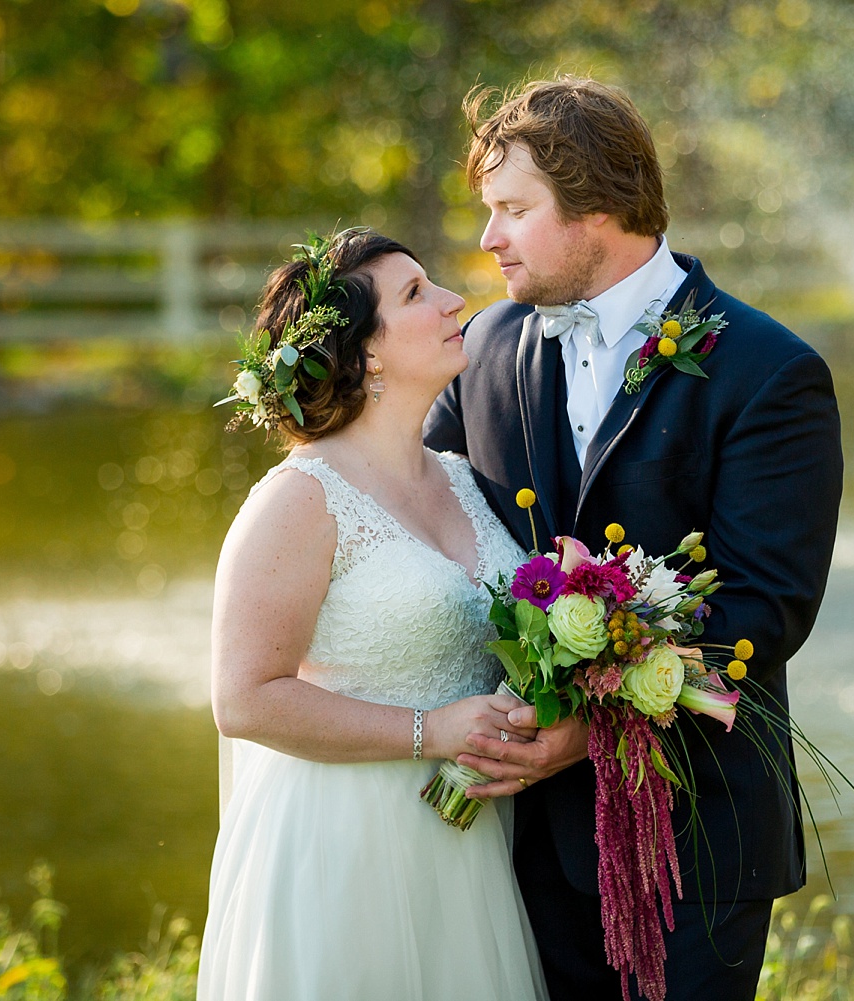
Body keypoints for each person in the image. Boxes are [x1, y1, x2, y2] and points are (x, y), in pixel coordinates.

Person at [424, 77, 845, 1000]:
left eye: (513, 209)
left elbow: (761, 611)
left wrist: (588, 727)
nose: (489, 237)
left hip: (696, 836)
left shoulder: (769, 372)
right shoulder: (485, 350)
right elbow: (418, 523)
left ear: (600, 205)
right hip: (517, 845)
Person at [197, 228, 547, 1001]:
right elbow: (244, 697)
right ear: (366, 355)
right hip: (341, 843)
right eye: (417, 293)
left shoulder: (462, 477)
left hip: (463, 842)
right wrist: (432, 730)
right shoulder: (299, 499)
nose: (456, 299)